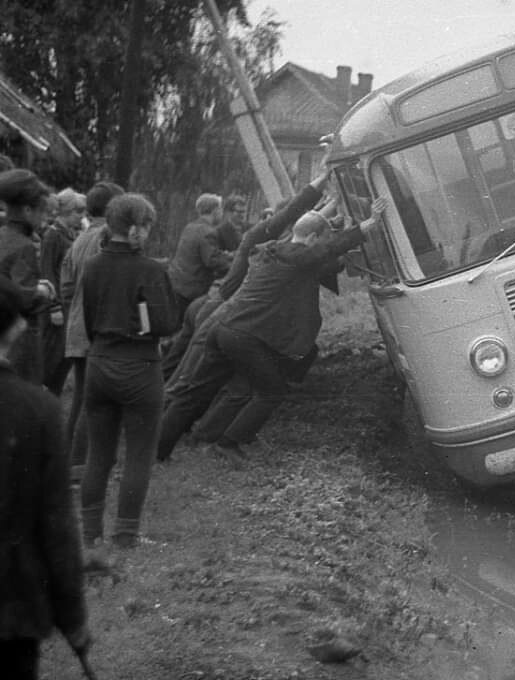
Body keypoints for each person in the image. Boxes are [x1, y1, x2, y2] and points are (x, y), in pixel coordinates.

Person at [157, 193, 386, 464]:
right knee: (272, 390)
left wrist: (331, 211)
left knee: (194, 393)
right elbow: (326, 250)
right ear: (312, 239)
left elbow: (310, 233)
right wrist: (369, 224)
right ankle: (228, 443)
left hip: (220, 326)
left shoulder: (272, 248)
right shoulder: (295, 256)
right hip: (242, 335)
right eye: (319, 239)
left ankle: (157, 451)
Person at [0, 279, 90, 678]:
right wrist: (73, 618)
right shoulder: (37, 409)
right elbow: (56, 525)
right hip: (9, 608)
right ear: (17, 328)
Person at [79, 194, 180, 549]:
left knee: (98, 453)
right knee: (138, 453)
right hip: (140, 366)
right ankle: (125, 534)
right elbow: (165, 323)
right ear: (140, 227)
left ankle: (90, 532)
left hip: (99, 362)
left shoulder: (92, 266)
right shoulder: (151, 270)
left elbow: (89, 318)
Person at [60, 181, 125, 481]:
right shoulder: (106, 237)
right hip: (94, 328)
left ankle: (68, 459)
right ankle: (78, 466)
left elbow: (66, 286)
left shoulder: (81, 238)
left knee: (82, 398)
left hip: (77, 326)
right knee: (93, 401)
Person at [0, 169, 57, 383]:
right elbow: (22, 299)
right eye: (42, 211)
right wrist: (42, 292)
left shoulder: (3, 236)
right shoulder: (24, 246)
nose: (45, 218)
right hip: (19, 338)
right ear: (27, 210)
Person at [40, 188, 87, 394]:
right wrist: (54, 307)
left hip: (69, 303)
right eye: (78, 211)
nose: (82, 216)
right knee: (54, 354)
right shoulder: (53, 235)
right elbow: (47, 271)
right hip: (58, 305)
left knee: (65, 355)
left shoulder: (70, 234)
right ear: (67, 211)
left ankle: (53, 393)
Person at [166, 192, 230, 314]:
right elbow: (212, 261)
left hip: (177, 283)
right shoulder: (208, 231)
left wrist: (225, 255)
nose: (222, 213)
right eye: (221, 209)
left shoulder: (190, 227)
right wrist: (236, 263)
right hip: (191, 290)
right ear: (215, 210)